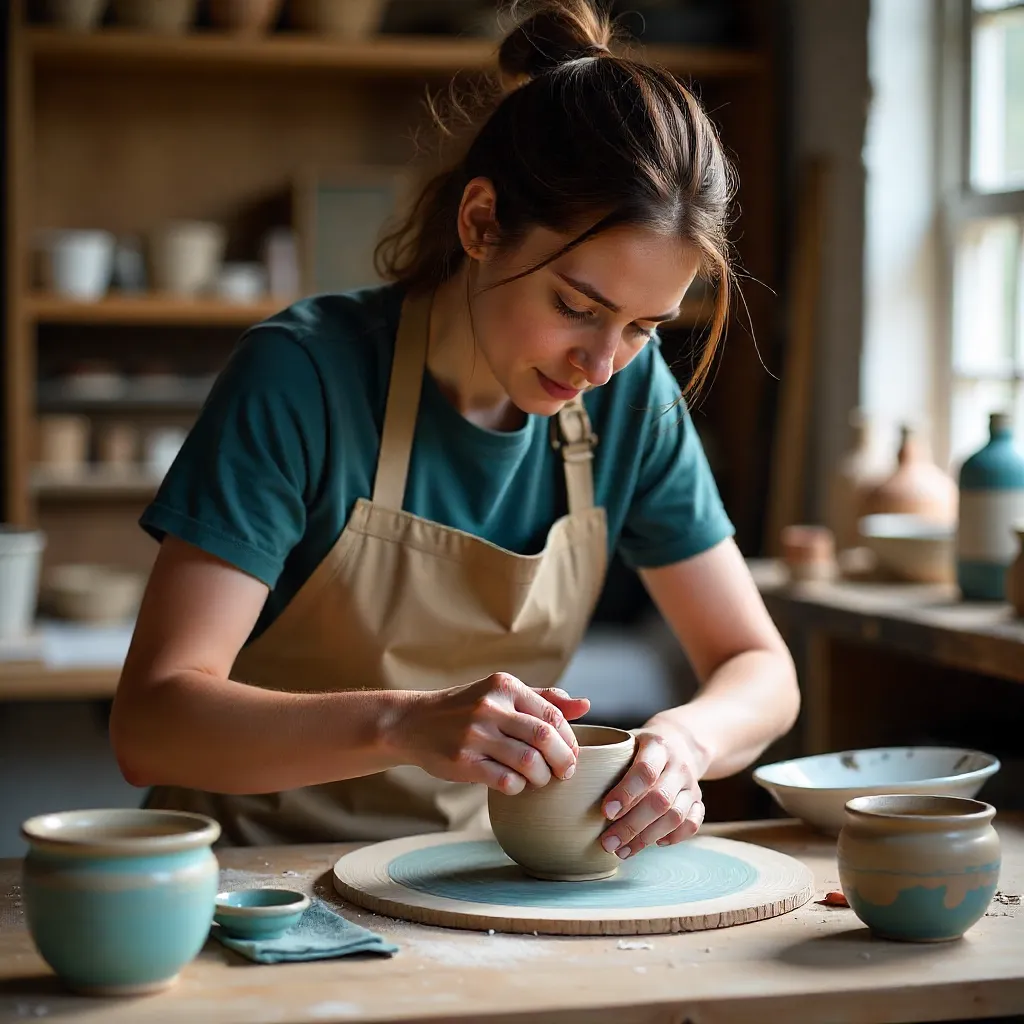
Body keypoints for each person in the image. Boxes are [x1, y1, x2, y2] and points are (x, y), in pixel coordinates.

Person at [109, 0, 799, 854]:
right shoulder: (304, 376)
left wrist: (686, 744)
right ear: (480, 223)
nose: (601, 363)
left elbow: (761, 670)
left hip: (465, 875)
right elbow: (152, 724)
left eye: (643, 326)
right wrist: (401, 723)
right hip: (249, 874)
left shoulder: (626, 395)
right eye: (577, 307)